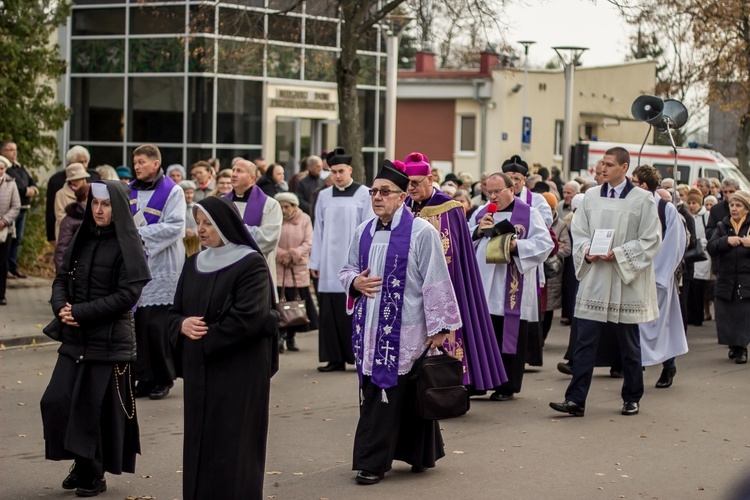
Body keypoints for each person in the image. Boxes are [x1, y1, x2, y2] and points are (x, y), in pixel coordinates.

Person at [339, 160, 461, 485]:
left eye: (385, 191)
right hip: (369, 330)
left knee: (397, 393)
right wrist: (354, 283)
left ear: (402, 196)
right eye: (373, 191)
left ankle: (372, 463)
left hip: (406, 327)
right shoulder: (363, 230)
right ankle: (420, 453)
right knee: (389, 394)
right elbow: (347, 269)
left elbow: (436, 279)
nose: (377, 197)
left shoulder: (422, 232)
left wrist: (440, 328)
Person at [41, 181, 151, 497]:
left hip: (109, 340)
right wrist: (61, 307)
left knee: (92, 410)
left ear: (117, 208)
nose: (99, 210)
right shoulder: (83, 238)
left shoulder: (129, 244)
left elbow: (128, 294)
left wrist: (81, 311)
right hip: (76, 336)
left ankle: (93, 472)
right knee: (57, 401)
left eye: (105, 205)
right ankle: (82, 461)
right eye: (94, 204)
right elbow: (62, 277)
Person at [169, 196, 276, 500]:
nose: (200, 229)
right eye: (198, 222)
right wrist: (181, 325)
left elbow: (249, 318)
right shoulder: (193, 263)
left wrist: (202, 342)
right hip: (201, 371)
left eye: (207, 223)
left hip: (238, 372)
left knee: (233, 444)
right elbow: (175, 311)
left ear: (224, 225)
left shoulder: (250, 263)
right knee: (200, 441)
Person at [550, 147, 661, 417]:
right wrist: (587, 250)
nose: (603, 168)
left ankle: (632, 396)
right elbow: (579, 231)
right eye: (602, 164)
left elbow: (651, 239)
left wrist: (620, 254)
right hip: (596, 278)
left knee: (629, 344)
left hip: (625, 281)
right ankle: (575, 400)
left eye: (609, 164)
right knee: (584, 343)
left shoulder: (642, 200)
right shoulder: (589, 196)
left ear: (624, 168)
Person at [404, 152, 507, 397]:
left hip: (445, 283)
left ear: (430, 179)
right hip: (411, 286)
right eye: (407, 183)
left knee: (451, 335)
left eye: (416, 182)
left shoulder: (450, 208)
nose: (411, 188)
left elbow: (457, 253)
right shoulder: (404, 207)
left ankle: (453, 385)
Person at [471, 172, 554, 401]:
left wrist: (517, 245)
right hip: (484, 284)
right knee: (484, 336)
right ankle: (479, 383)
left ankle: (507, 386)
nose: (493, 196)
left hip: (511, 284)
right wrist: (478, 230)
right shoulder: (481, 212)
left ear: (512, 189)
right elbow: (463, 240)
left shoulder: (529, 214)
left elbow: (545, 244)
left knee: (508, 335)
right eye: (489, 191)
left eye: (498, 191)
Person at [309, 148, 374, 372]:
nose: (337, 175)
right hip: (328, 261)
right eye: (333, 171)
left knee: (353, 310)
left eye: (341, 171)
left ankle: (356, 356)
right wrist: (315, 261)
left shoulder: (364, 194)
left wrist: (366, 261)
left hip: (352, 261)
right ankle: (333, 358)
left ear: (350, 170)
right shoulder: (324, 196)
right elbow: (319, 228)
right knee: (330, 312)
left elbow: (368, 228)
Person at [130, 144, 186, 400]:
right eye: (135, 161)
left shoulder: (173, 191)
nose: (137, 166)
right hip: (134, 267)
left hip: (162, 266)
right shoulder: (128, 189)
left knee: (157, 327)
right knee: (139, 327)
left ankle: (164, 378)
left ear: (155, 163)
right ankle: (144, 377)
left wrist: (135, 235)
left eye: (141, 161)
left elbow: (175, 226)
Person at [631, 165, 688, 389]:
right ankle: (635, 369)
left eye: (634, 182)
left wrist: (660, 274)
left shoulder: (666, 209)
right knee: (634, 326)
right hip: (634, 275)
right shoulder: (631, 205)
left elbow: (675, 243)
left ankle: (668, 365)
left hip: (657, 277)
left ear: (644, 186)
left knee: (661, 325)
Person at [706, 190, 750, 364]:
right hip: (726, 277)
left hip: (746, 279)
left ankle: (742, 348)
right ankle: (733, 344)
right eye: (732, 205)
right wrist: (727, 241)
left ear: (746, 209)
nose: (734, 208)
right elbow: (711, 246)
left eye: (738, 205)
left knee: (743, 315)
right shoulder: (722, 226)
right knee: (727, 314)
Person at [225, 159, 283, 287]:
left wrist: (234, 231)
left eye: (239, 171)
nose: (233, 174)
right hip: (226, 269)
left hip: (256, 272)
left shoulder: (270, 205)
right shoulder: (222, 204)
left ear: (252, 178)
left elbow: (268, 239)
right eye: (233, 170)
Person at [275, 192, 318, 352]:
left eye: (286, 206)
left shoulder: (304, 219)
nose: (283, 210)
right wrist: (281, 255)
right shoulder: (274, 219)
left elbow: (309, 241)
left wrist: (293, 254)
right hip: (279, 267)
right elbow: (270, 239)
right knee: (279, 303)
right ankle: (280, 335)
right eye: (280, 206)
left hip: (297, 267)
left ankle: (291, 337)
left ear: (294, 206)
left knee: (295, 303)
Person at [45, 146, 101, 245]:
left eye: (85, 161)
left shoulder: (94, 178)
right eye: (80, 162)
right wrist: (51, 237)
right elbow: (53, 213)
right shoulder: (57, 182)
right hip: (67, 237)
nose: (84, 165)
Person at [2, 141, 37, 279]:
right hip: (11, 211)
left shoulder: (19, 167)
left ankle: (13, 267)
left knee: (18, 240)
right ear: (3, 152)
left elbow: (31, 181)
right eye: (10, 150)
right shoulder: (6, 168)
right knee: (8, 240)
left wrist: (32, 189)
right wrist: (27, 190)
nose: (14, 152)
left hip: (23, 209)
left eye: (15, 149)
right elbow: (19, 187)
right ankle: (5, 269)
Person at [542, 192, 571, 340]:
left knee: (548, 310)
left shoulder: (560, 225)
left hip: (552, 273)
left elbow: (567, 248)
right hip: (537, 271)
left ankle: (542, 341)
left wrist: (551, 251)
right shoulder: (536, 222)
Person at [685, 188, 713, 326]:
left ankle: (698, 316)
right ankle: (691, 315)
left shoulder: (705, 216)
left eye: (694, 203)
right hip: (692, 256)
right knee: (691, 287)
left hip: (702, 254)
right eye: (689, 203)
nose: (691, 206)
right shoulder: (687, 217)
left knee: (699, 287)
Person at [54, 184, 90, 273]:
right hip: (77, 272)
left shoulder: (98, 218)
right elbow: (62, 251)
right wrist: (63, 279)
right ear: (86, 198)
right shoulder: (69, 221)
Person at [0, 155, 20, 305]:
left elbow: (16, 206)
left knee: (2, 262)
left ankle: (1, 294)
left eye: (1, 168)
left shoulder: (11, 184)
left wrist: (4, 221)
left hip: (5, 229)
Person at [54, 163, 90, 240]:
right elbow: (60, 216)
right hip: (67, 236)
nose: (84, 182)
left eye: (85, 178)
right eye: (81, 179)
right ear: (72, 181)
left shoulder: (88, 193)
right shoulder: (61, 194)